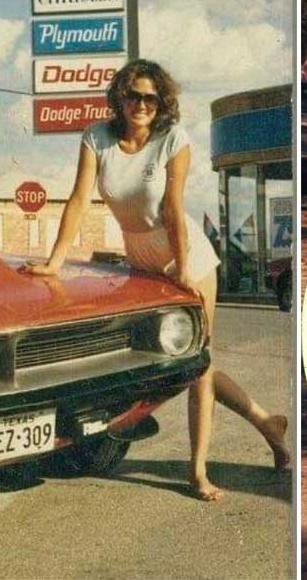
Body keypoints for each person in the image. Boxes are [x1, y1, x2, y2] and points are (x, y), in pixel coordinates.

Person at [24, 59, 289, 501]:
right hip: (140, 256)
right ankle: (265, 422)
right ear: (120, 98)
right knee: (186, 361)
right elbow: (77, 200)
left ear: (160, 101)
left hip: (185, 253)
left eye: (150, 97)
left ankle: (198, 470)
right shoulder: (97, 138)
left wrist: (183, 267)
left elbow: (172, 207)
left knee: (199, 364)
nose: (142, 104)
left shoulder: (173, 139)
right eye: (133, 95)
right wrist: (54, 262)